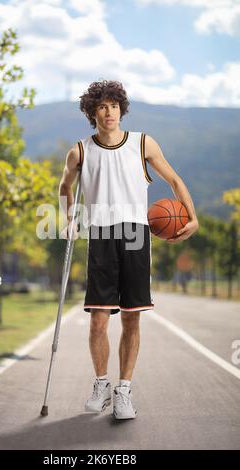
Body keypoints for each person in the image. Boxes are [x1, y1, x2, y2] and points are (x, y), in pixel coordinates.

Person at [59, 79, 199, 420]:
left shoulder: (143, 144)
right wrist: (68, 219)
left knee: (132, 319)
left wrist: (192, 218)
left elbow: (175, 181)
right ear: (92, 113)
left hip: (136, 235)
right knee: (98, 322)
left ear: (122, 109)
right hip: (101, 237)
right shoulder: (80, 150)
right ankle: (101, 384)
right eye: (102, 107)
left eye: (114, 106)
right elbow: (65, 186)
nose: (109, 112)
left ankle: (124, 390)